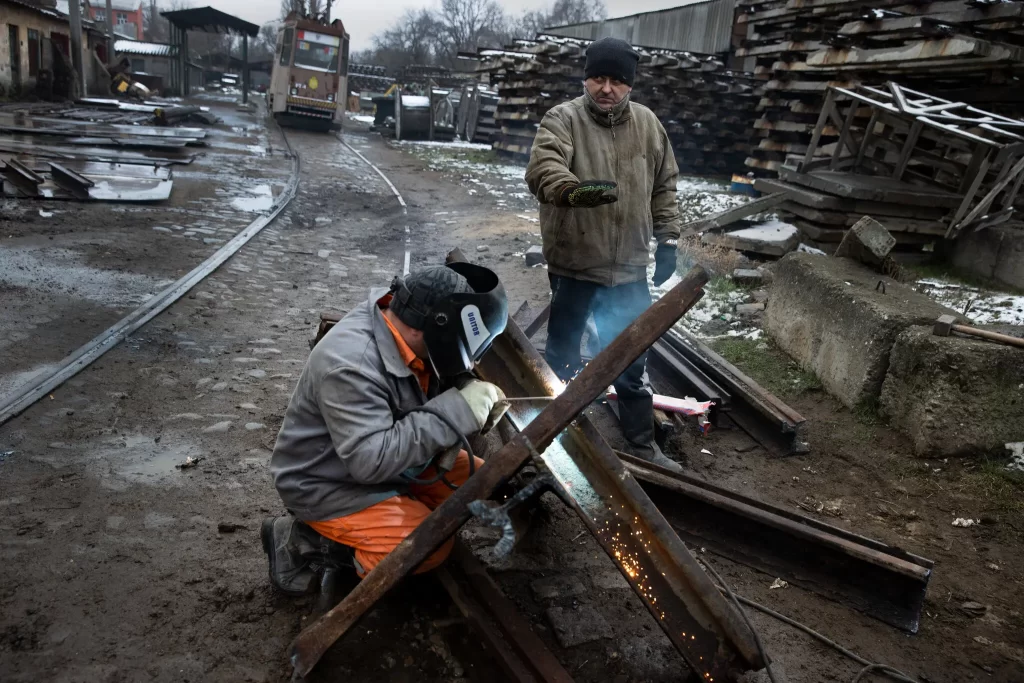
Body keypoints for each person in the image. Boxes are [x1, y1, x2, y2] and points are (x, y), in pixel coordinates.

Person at [262, 264, 508, 594]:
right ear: (430, 328)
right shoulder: (350, 365)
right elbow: (370, 461)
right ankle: (302, 541)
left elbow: (421, 381)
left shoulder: (402, 323)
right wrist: (459, 411)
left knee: (479, 482)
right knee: (427, 547)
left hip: (391, 460)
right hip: (327, 483)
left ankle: (398, 509)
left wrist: (465, 386)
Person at [525, 36, 683, 472]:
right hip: (575, 264)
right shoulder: (563, 119)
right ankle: (550, 445)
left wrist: (668, 239)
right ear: (585, 78)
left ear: (630, 84)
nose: (606, 89)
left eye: (617, 80)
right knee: (561, 358)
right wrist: (571, 191)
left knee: (632, 359)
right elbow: (543, 168)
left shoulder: (648, 125)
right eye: (598, 78)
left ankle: (642, 443)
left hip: (630, 268)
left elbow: (665, 186)